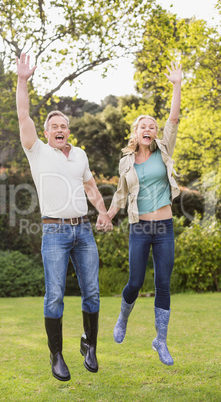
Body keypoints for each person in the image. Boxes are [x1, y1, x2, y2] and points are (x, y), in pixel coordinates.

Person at [16, 53, 112, 381]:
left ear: (69, 131)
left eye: (64, 126)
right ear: (45, 133)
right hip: (54, 232)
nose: (60, 130)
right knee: (55, 294)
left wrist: (103, 213)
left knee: (93, 292)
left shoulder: (81, 154)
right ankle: (56, 355)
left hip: (83, 231)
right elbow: (23, 115)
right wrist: (23, 80)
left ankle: (90, 345)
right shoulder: (37, 150)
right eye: (54, 126)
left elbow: (90, 186)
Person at [108, 62, 182, 366]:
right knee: (136, 282)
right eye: (143, 126)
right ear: (135, 134)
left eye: (152, 126)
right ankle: (123, 319)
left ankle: (160, 341)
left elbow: (174, 118)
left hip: (164, 227)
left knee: (163, 283)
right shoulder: (127, 163)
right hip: (139, 229)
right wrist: (108, 214)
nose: (149, 129)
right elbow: (120, 194)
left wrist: (177, 84)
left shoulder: (164, 150)